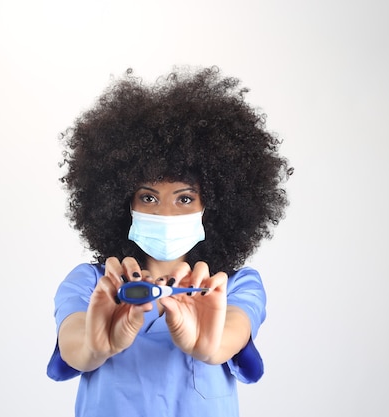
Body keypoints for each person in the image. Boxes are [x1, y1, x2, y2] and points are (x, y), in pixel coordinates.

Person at [47, 66, 293, 417]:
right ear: (121, 202)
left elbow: (228, 336)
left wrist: (208, 348)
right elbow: (74, 346)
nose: (164, 213)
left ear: (213, 205)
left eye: (184, 199)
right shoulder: (92, 283)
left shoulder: (233, 286)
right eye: (148, 198)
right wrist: (95, 346)